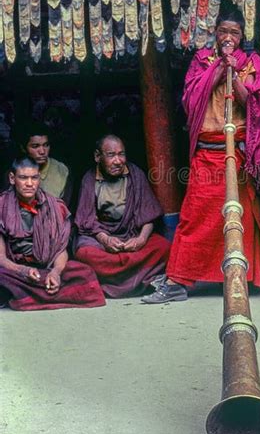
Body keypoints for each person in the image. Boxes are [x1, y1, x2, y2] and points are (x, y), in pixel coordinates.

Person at [142, 4, 260, 304]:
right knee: (195, 217)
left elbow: (253, 102)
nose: (228, 37)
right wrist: (219, 68)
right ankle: (178, 281)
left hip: (236, 152)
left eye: (234, 33)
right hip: (207, 152)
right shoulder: (201, 60)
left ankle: (239, 277)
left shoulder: (252, 62)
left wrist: (234, 73)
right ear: (215, 32)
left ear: (242, 36)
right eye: (223, 31)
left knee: (238, 217)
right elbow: (191, 98)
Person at [0, 157, 105, 311]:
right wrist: (23, 270)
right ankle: (33, 294)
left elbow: (60, 250)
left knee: (84, 273)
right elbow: (1, 258)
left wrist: (56, 272)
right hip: (15, 270)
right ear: (12, 178)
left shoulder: (55, 206)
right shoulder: (2, 207)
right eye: (23, 178)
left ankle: (26, 296)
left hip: (46, 267)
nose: (29, 184)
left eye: (34, 178)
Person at [74, 134, 170, 298]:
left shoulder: (135, 175)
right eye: (111, 155)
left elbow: (148, 214)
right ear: (98, 157)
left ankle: (116, 279)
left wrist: (141, 239)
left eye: (121, 154)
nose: (118, 161)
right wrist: (106, 239)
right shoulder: (89, 179)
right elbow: (86, 220)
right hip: (101, 237)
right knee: (84, 253)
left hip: (131, 234)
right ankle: (139, 278)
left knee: (164, 247)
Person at [15, 122, 72, 204]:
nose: (42, 151)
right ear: (23, 148)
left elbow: (65, 208)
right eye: (35, 146)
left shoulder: (62, 171)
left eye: (46, 145)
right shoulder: (15, 170)